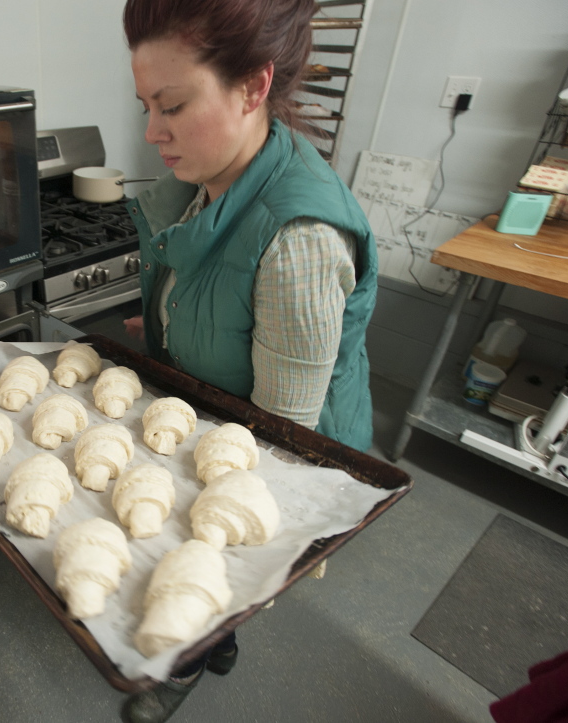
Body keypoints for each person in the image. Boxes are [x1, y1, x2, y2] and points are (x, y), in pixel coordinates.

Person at [119, 0, 378, 721]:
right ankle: (218, 639)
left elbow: (273, 443)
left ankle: (190, 655)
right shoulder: (213, 172)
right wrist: (170, 317)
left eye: (171, 104)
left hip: (270, 445)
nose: (151, 131)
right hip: (214, 407)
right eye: (145, 104)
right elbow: (216, 275)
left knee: (216, 550)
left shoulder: (299, 238)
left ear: (252, 88)